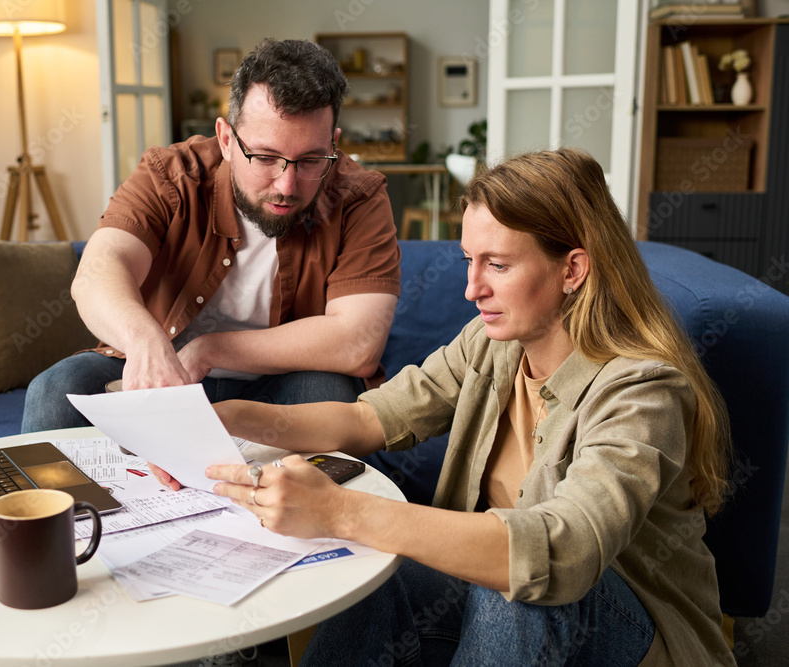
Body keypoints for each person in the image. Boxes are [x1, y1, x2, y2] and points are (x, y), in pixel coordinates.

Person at [204, 148, 736, 665]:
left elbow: (562, 551)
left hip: (635, 637)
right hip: (510, 621)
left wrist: (342, 512)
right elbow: (372, 417)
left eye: (497, 265)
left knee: (520, 587)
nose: (471, 289)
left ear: (572, 270)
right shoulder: (492, 342)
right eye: (469, 262)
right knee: (371, 571)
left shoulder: (644, 392)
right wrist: (234, 418)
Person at [21, 38, 400, 433]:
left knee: (331, 397)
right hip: (163, 369)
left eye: (310, 160)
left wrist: (210, 349)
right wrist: (145, 341)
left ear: (333, 143)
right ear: (226, 139)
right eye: (265, 158)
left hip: (284, 381)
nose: (287, 185)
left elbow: (359, 342)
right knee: (54, 390)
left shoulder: (359, 195)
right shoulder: (170, 174)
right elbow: (98, 271)